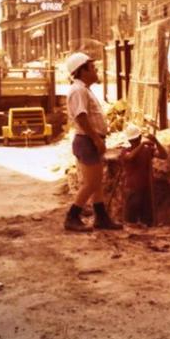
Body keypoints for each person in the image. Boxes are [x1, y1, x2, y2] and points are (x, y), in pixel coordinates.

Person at [64, 52, 123, 232]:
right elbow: (81, 117)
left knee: (96, 183)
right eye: (92, 67)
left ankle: (101, 218)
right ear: (82, 70)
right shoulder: (79, 90)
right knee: (91, 183)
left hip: (88, 140)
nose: (96, 70)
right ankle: (72, 217)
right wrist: (96, 139)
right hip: (87, 140)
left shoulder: (83, 89)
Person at [120, 123, 168, 226]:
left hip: (146, 189)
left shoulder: (147, 151)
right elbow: (130, 157)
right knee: (130, 222)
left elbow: (164, 155)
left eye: (136, 140)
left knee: (146, 221)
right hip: (132, 189)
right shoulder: (125, 151)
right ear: (129, 141)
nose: (134, 142)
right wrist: (142, 145)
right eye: (133, 140)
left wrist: (156, 142)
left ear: (140, 137)